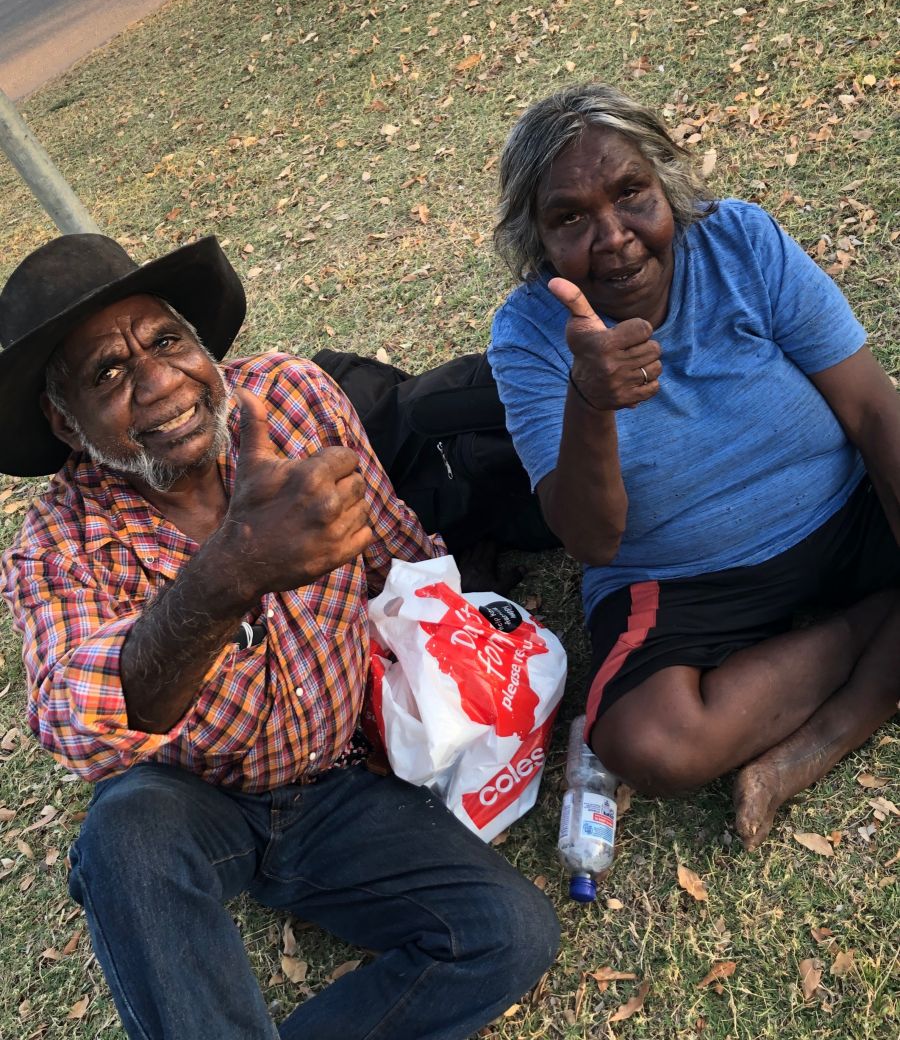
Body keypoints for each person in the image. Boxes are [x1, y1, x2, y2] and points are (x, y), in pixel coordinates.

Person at [0, 233, 558, 1040]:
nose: (158, 383)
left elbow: (395, 552)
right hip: (197, 804)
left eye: (165, 341)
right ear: (64, 419)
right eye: (108, 374)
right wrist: (232, 568)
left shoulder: (294, 397)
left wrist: (442, 668)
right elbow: (71, 723)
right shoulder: (57, 543)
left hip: (341, 784)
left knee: (509, 932)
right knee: (123, 836)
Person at [488, 83, 900, 850]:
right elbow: (593, 540)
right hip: (681, 578)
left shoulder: (740, 241)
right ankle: (869, 625)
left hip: (843, 512)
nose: (613, 236)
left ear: (666, 185)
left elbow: (874, 410)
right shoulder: (527, 336)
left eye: (631, 194)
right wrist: (591, 399)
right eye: (570, 217)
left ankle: (831, 731)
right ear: (537, 239)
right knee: (652, 744)